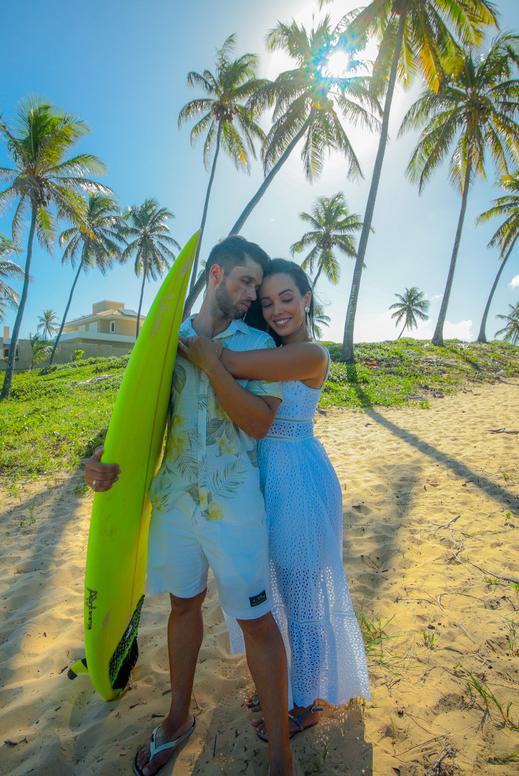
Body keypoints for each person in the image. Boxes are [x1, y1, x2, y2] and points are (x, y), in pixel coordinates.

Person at [84, 236, 295, 776]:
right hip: (174, 499)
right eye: (247, 281)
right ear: (216, 274)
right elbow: (137, 418)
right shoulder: (164, 343)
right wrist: (100, 459)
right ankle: (178, 718)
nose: (254, 293)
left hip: (234, 502)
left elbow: (259, 421)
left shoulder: (258, 344)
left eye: (259, 284)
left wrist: (212, 363)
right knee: (182, 605)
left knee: (256, 622)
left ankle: (280, 757)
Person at [178, 257, 371, 741]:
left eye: (288, 298)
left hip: (297, 475)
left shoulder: (312, 354)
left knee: (302, 590)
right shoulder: (264, 342)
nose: (278, 309)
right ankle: (283, 687)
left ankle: (306, 700)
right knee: (271, 590)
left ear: (307, 299)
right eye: (267, 302)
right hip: (260, 472)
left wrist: (192, 343)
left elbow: (233, 364)